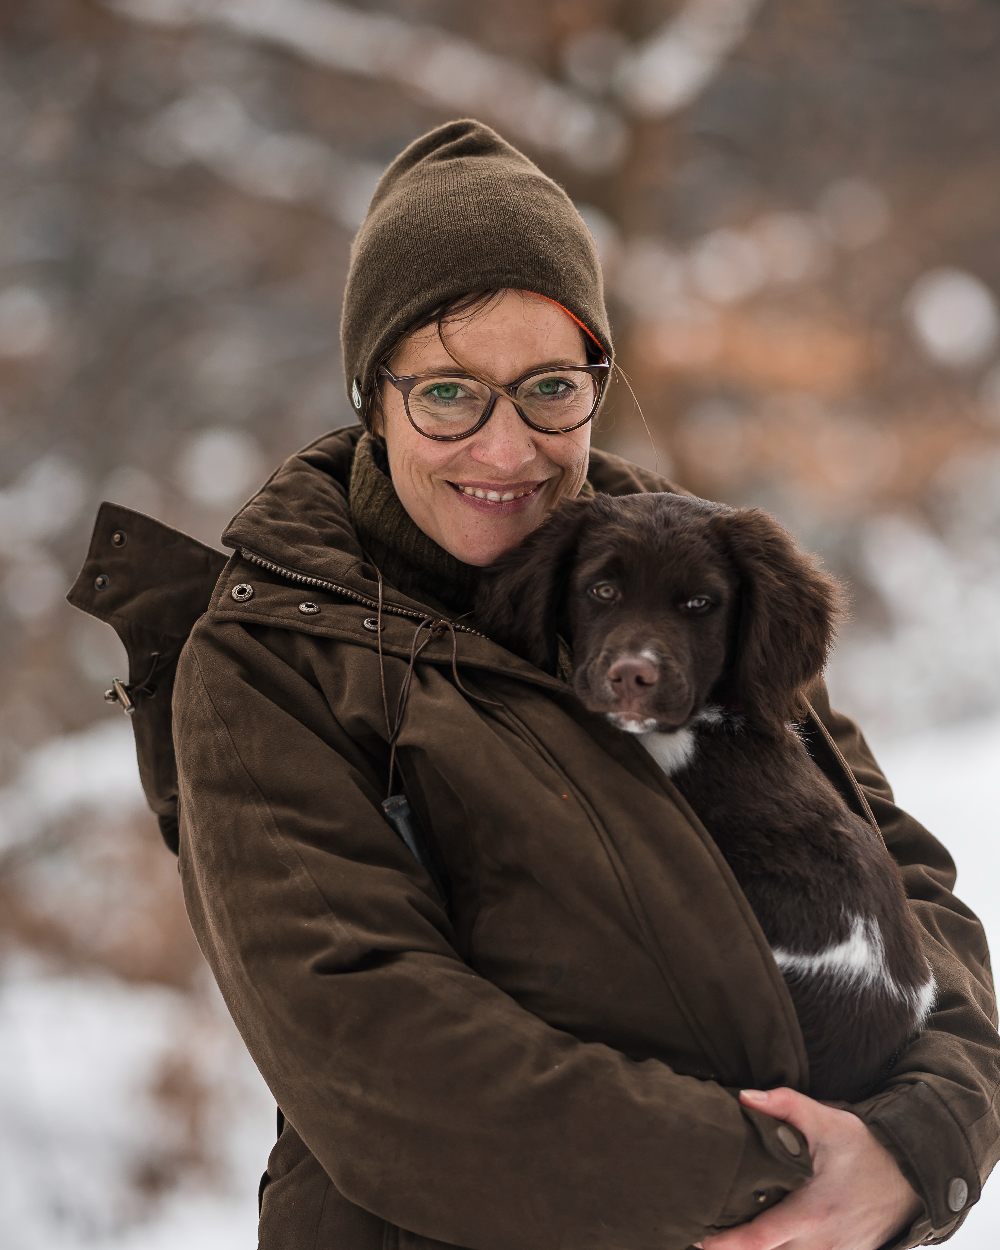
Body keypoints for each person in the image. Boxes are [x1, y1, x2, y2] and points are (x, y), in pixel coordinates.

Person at [162, 120, 997, 1249]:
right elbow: (378, 1053)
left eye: (550, 387)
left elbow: (906, 891)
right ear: (372, 397)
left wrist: (916, 1149)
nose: (506, 451)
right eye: (448, 394)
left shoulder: (700, 579)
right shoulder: (267, 661)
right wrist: (786, 1172)